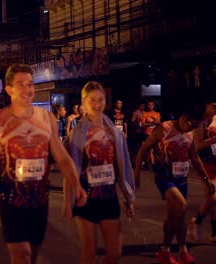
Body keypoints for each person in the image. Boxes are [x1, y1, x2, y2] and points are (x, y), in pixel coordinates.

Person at [0, 64, 87, 264]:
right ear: (9, 89)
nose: (28, 89)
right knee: (22, 253)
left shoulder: (46, 119)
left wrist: (76, 184)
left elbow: (61, 156)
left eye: (30, 84)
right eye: (21, 84)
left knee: (33, 253)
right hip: (10, 199)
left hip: (39, 198)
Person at [64, 81, 135, 264]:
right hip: (85, 198)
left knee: (115, 252)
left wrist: (128, 196)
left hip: (109, 198)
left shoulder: (114, 133)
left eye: (100, 99)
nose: (96, 104)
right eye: (92, 100)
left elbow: (122, 167)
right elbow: (69, 168)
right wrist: (68, 202)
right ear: (84, 102)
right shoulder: (77, 133)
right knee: (89, 253)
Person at [135, 106, 215, 264]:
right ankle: (164, 250)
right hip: (165, 177)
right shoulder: (164, 128)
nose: (192, 128)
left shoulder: (190, 133)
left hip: (182, 179)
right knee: (182, 206)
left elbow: (195, 158)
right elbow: (144, 148)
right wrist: (136, 173)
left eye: (195, 126)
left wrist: (206, 180)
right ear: (183, 118)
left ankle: (182, 251)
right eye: (191, 124)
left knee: (178, 217)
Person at [189, 92, 216, 246]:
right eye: (214, 106)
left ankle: (215, 234)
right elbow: (198, 146)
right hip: (205, 163)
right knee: (212, 197)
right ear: (206, 105)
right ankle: (196, 221)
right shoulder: (199, 122)